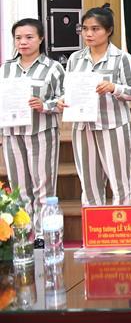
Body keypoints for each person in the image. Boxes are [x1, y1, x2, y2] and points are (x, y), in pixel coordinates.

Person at [62, 4, 131, 207]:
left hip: (113, 126)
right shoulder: (74, 59)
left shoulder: (122, 58)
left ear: (109, 31)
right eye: (85, 28)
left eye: (95, 29)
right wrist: (64, 100)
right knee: (88, 182)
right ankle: (95, 234)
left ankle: (119, 230)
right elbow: (69, 90)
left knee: (119, 182)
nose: (88, 34)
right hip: (82, 127)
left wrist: (114, 87)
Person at [1, 18, 64, 242]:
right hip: (12, 134)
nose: (23, 42)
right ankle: (24, 235)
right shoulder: (6, 68)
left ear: (41, 39)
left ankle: (44, 236)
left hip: (42, 133)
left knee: (43, 188)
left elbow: (65, 99)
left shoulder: (53, 68)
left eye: (29, 37)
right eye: (18, 38)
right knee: (20, 189)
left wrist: (44, 105)